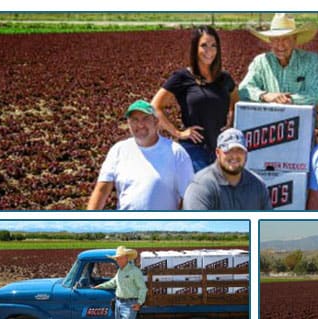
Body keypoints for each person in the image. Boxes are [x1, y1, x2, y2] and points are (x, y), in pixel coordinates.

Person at [151, 25, 239, 172]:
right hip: (194, 150)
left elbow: (236, 102)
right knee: (201, 190)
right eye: (204, 45)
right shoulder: (182, 77)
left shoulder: (224, 78)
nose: (209, 51)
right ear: (195, 48)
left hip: (222, 148)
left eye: (213, 46)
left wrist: (231, 121)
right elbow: (154, 107)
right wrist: (178, 133)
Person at [87, 100, 194, 210]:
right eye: (134, 120)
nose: (140, 124)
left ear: (156, 122)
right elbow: (102, 190)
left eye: (146, 119)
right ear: (128, 123)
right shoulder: (118, 150)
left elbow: (189, 196)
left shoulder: (176, 152)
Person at [238, 13, 318, 106]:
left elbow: (315, 94)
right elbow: (244, 89)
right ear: (270, 40)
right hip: (269, 119)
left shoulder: (311, 60)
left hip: (301, 118)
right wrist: (264, 96)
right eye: (275, 39)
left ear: (294, 39)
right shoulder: (261, 62)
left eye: (285, 39)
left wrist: (287, 99)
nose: (280, 45)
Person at [183, 128, 272, 210]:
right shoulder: (201, 186)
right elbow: (196, 226)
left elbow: (268, 224)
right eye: (228, 150)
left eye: (239, 150)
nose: (234, 155)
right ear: (218, 153)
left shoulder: (258, 185)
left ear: (246, 154)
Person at [94, 246, 147, 319]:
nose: (117, 260)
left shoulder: (134, 271)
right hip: (118, 303)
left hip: (130, 304)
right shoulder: (120, 271)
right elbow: (113, 282)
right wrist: (99, 286)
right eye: (116, 258)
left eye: (120, 258)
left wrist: (139, 303)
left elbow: (143, 288)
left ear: (126, 258)